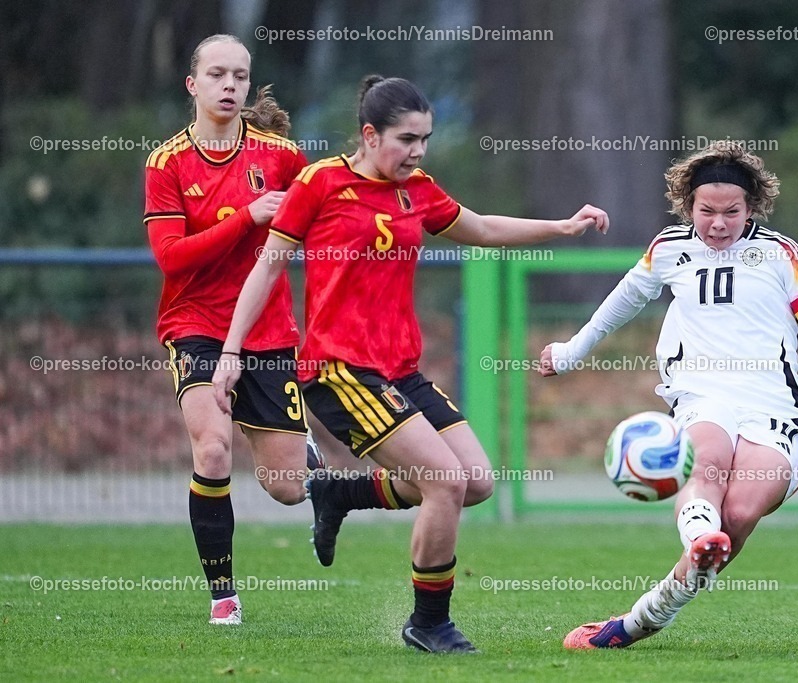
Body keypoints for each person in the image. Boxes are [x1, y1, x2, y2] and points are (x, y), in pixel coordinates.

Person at [210, 74, 608, 652]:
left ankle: (341, 495)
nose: (418, 151)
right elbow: (268, 267)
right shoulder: (320, 183)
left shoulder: (417, 189)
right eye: (406, 139)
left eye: (425, 139)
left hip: (399, 370)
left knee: (476, 482)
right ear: (370, 135)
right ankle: (428, 624)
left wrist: (562, 226)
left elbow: (481, 227)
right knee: (444, 482)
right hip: (339, 370)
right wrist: (231, 352)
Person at [540, 141, 798, 649]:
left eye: (731, 212)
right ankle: (696, 543)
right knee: (706, 456)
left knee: (739, 514)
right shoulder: (668, 248)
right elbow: (619, 304)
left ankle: (644, 617)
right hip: (701, 394)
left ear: (751, 207)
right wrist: (569, 351)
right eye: (706, 211)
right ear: (687, 205)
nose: (718, 224)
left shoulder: (782, 254)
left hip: (775, 408)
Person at [144, 34, 324, 626]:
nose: (229, 85)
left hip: (267, 330)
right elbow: (171, 257)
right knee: (214, 446)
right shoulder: (167, 163)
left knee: (288, 488)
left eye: (240, 76)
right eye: (217, 74)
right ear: (192, 84)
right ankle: (223, 595)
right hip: (194, 324)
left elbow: (328, 211)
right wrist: (248, 216)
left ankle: (306, 454)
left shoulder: (280, 156)